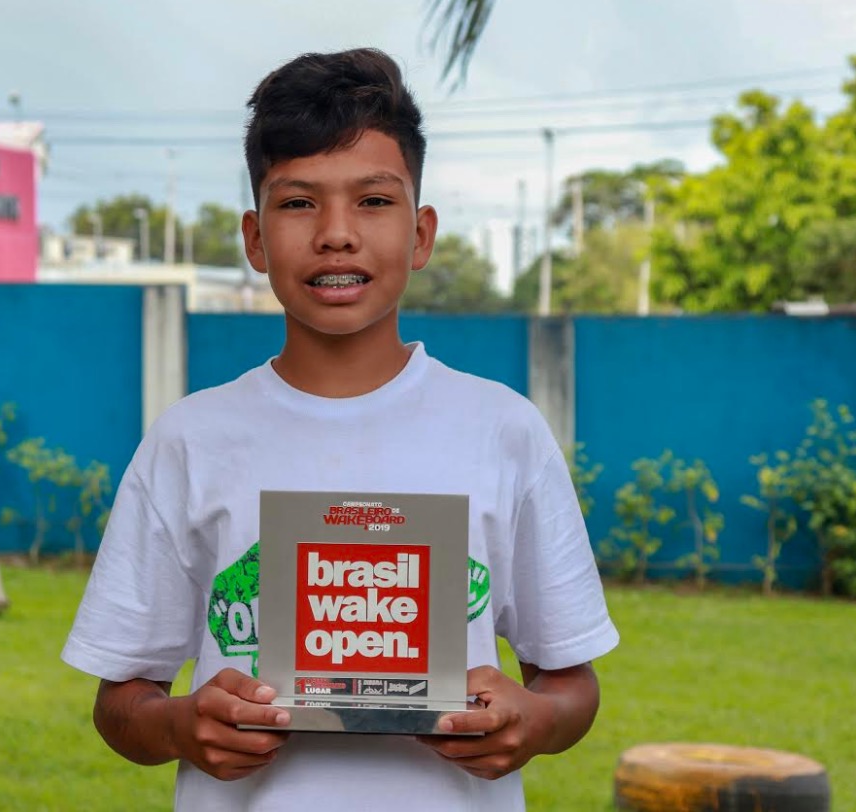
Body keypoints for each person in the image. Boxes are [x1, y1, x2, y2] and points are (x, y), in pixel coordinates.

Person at [61, 47, 619, 811]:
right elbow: (121, 701)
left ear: (421, 235)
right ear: (255, 240)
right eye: (297, 204)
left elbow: (572, 683)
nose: (336, 234)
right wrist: (183, 725)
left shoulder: (503, 430)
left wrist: (538, 717)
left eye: (373, 201)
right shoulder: (191, 440)